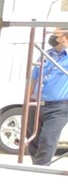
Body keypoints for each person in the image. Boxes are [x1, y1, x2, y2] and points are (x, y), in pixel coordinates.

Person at [27, 28, 68, 166]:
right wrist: (28, 100)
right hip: (36, 103)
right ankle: (38, 166)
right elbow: (33, 79)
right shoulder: (46, 55)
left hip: (58, 106)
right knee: (32, 138)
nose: (53, 36)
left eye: (57, 34)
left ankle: (40, 169)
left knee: (48, 139)